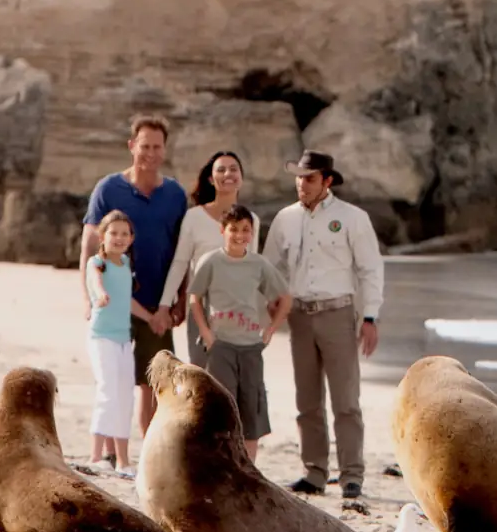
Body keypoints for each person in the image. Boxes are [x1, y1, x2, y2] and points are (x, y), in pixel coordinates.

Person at [263, 150, 384, 500]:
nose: (302, 184)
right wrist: (271, 303)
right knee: (307, 400)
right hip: (299, 315)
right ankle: (314, 472)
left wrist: (370, 317)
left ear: (327, 181)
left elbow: (370, 269)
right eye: (299, 177)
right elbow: (270, 267)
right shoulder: (285, 219)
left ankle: (351, 475)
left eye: (310, 178)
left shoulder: (352, 218)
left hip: (338, 314)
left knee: (346, 400)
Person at [80, 115, 189, 438]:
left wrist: (180, 299)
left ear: (165, 150)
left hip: (157, 305)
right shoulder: (108, 188)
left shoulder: (175, 195)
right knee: (114, 381)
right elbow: (88, 248)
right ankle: (110, 452)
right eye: (145, 146)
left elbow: (182, 254)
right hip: (113, 303)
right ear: (132, 146)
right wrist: (88, 298)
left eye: (157, 147)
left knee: (154, 384)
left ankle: (149, 450)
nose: (150, 153)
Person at [188, 203, 291, 462]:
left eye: (245, 230)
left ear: (252, 233)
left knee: (251, 406)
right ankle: (222, 463)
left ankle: (248, 466)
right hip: (220, 345)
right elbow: (195, 298)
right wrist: (206, 333)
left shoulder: (258, 264)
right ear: (222, 231)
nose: (239, 235)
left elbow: (285, 298)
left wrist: (270, 330)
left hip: (251, 347)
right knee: (222, 406)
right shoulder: (211, 261)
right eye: (233, 229)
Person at [160, 150, 260, 370]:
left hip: (237, 311)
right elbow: (180, 263)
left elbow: (252, 270)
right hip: (200, 309)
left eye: (233, 169)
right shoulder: (194, 217)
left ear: (241, 178)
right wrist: (164, 305)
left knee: (233, 378)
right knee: (201, 375)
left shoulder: (252, 220)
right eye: (221, 170)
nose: (228, 174)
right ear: (211, 179)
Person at [83, 210, 143, 477]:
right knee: (107, 392)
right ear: (102, 236)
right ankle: (96, 457)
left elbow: (127, 300)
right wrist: (100, 295)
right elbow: (96, 283)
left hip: (123, 340)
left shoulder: (126, 263)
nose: (119, 238)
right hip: (101, 337)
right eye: (113, 233)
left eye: (124, 234)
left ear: (131, 238)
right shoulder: (97, 263)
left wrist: (152, 317)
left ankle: (123, 461)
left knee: (125, 396)